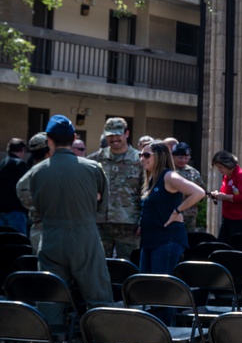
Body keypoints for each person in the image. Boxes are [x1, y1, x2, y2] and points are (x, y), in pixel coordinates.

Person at [15, 116, 113, 329]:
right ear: (74, 138)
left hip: (50, 236)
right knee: (98, 296)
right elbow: (102, 208)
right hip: (85, 235)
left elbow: (33, 204)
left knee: (50, 297)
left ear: (48, 139)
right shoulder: (93, 168)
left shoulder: (36, 172)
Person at [138, 140, 205, 320]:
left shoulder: (169, 176)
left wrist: (177, 211)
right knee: (148, 286)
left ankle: (165, 335)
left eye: (146, 155)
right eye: (140, 154)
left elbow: (198, 192)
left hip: (167, 240)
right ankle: (154, 333)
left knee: (162, 288)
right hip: (150, 241)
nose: (141, 158)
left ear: (159, 157)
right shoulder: (151, 178)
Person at [89, 117, 143, 258]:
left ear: (127, 134)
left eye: (117, 134)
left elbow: (146, 193)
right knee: (98, 264)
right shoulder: (94, 160)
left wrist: (143, 221)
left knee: (127, 266)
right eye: (110, 135)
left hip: (129, 225)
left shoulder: (140, 161)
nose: (114, 139)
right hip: (100, 223)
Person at [209, 150, 242, 243]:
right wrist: (217, 195)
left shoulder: (240, 175)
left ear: (228, 165)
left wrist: (225, 197)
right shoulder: (227, 176)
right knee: (221, 243)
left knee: (234, 245)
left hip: (240, 218)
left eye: (221, 167)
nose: (219, 170)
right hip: (228, 217)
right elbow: (225, 192)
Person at [172, 142, 205, 231]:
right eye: (180, 157)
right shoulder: (166, 171)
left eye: (187, 157)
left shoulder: (194, 172)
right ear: (172, 156)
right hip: (170, 214)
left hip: (189, 216)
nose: (183, 160)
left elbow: (202, 192)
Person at [0, 138, 30, 234]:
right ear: (22, 150)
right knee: (19, 242)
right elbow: (25, 186)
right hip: (16, 210)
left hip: (2, 210)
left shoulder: (2, 163)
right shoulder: (19, 164)